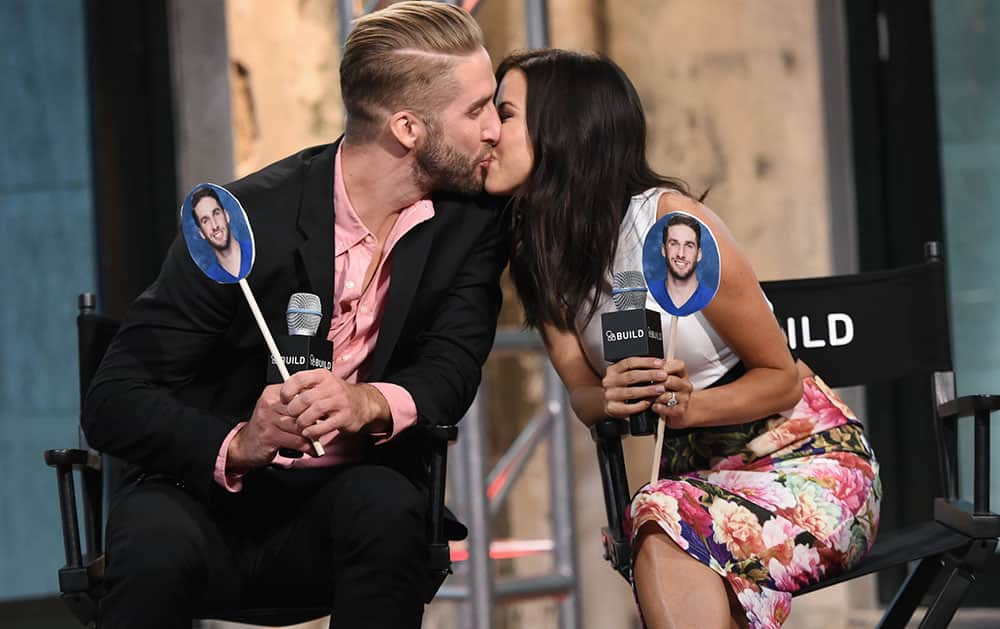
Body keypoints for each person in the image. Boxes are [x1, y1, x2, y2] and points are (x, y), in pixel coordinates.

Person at [82, 4, 507, 628]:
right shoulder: (246, 221)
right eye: (478, 110)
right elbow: (113, 400)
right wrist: (242, 442)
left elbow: (452, 368)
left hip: (346, 501)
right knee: (150, 544)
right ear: (409, 128)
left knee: (389, 510)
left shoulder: (467, 225)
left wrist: (368, 403)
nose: (496, 128)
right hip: (206, 502)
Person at [485, 48, 880, 629]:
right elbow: (581, 394)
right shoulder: (537, 253)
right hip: (691, 487)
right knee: (658, 520)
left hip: (804, 462)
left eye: (506, 113)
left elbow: (780, 380)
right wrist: (611, 394)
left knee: (657, 520)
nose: (489, 131)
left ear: (562, 127)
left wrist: (692, 406)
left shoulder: (672, 229)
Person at [190, 185, 251, 280]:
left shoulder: (255, 250)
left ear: (226, 216)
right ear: (201, 233)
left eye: (216, 213)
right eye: (205, 220)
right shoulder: (210, 280)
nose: (214, 226)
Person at [661, 213, 713, 312]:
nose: (681, 254)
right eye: (674, 244)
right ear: (663, 250)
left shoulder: (712, 302)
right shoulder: (648, 296)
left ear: (699, 254)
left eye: (689, 245)